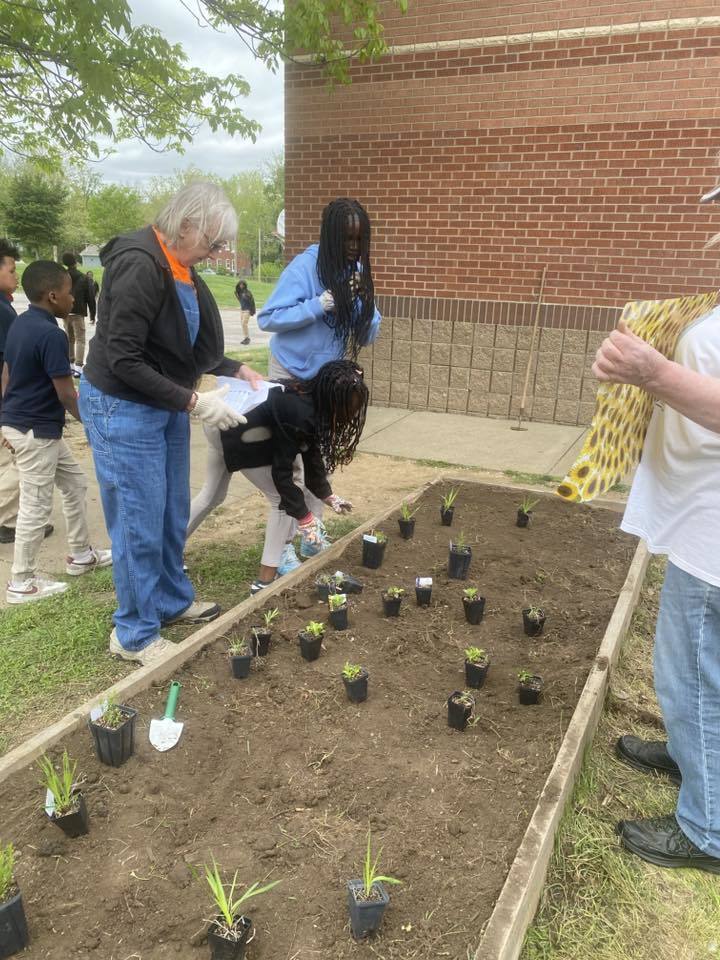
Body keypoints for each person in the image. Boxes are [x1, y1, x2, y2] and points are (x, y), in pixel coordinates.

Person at [80, 182, 263, 666]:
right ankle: (134, 635)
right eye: (213, 241)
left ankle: (168, 602)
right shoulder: (140, 264)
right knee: (138, 519)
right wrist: (193, 402)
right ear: (186, 225)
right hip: (121, 404)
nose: (215, 252)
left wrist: (232, 367)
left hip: (160, 402)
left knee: (169, 507)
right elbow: (123, 358)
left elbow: (177, 340)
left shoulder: (180, 264)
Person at [593, 260, 720, 872]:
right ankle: (693, 755)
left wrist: (654, 372)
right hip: (700, 517)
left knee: (689, 671)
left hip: (715, 536)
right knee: (701, 668)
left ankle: (707, 830)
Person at [187, 360, 364, 593]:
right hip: (235, 429)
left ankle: (166, 554)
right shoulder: (301, 412)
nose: (353, 412)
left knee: (212, 495)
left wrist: (328, 496)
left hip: (220, 418)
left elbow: (310, 453)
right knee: (281, 502)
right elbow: (282, 473)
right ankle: (264, 581)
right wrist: (305, 519)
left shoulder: (309, 395)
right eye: (349, 406)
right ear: (334, 397)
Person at [1, 261, 111, 604]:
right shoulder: (51, 334)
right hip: (36, 431)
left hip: (27, 425)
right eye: (68, 292)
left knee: (75, 484)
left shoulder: (22, 321)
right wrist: (92, 426)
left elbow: (6, 373)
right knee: (35, 505)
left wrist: (6, 419)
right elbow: (66, 393)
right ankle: (21, 582)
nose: (73, 299)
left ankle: (80, 554)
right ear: (52, 295)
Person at [257, 198, 382, 382]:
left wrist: (367, 305)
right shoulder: (303, 267)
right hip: (289, 369)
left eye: (359, 239)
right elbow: (267, 319)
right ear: (331, 237)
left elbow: (366, 339)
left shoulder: (357, 273)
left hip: (328, 376)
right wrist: (320, 305)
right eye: (347, 239)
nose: (354, 247)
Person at [60, 253, 90, 375]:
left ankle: (70, 364)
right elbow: (90, 297)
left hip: (65, 311)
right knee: (80, 339)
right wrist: (93, 314)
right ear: (75, 262)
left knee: (69, 339)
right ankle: (78, 367)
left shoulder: (62, 276)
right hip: (78, 312)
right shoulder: (83, 277)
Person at [234, 279, 255, 345]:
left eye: (242, 284)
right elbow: (240, 301)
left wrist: (252, 311)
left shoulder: (248, 293)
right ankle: (246, 338)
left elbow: (252, 302)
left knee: (244, 324)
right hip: (242, 310)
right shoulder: (239, 293)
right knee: (243, 325)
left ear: (245, 285)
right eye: (240, 284)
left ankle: (247, 338)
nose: (241, 286)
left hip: (247, 310)